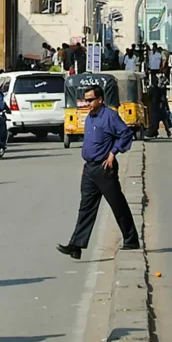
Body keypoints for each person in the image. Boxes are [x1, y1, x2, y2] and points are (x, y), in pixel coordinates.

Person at [55, 82, 139, 260]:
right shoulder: (90, 117)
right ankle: (76, 245)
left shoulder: (109, 116)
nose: (87, 104)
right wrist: (87, 163)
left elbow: (125, 134)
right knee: (85, 207)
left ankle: (131, 239)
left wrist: (113, 153)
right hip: (90, 169)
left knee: (117, 204)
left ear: (100, 100)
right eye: (84, 100)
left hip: (104, 167)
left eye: (90, 100)